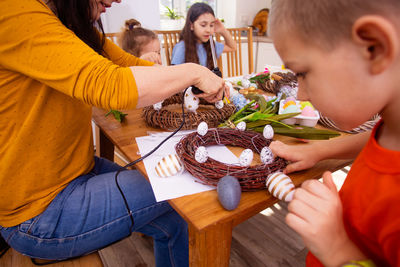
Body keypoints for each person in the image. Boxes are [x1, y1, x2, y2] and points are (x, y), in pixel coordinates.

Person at [0, 0, 227, 266]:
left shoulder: (74, 25)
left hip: (77, 172)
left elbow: (127, 64)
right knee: (186, 184)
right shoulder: (13, 10)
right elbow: (111, 84)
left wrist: (185, 81)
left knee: (176, 217)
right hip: (37, 213)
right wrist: (193, 72)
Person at [268, 0, 400, 266]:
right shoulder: (391, 126)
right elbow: (376, 138)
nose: (301, 94)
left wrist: (338, 248)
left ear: (373, 47)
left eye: (302, 73)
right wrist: (319, 150)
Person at [171, 2, 236, 69]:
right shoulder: (182, 47)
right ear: (191, 25)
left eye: (211, 25)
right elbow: (174, 75)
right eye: (203, 25)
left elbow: (232, 47)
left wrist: (223, 30)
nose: (208, 30)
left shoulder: (210, 45)